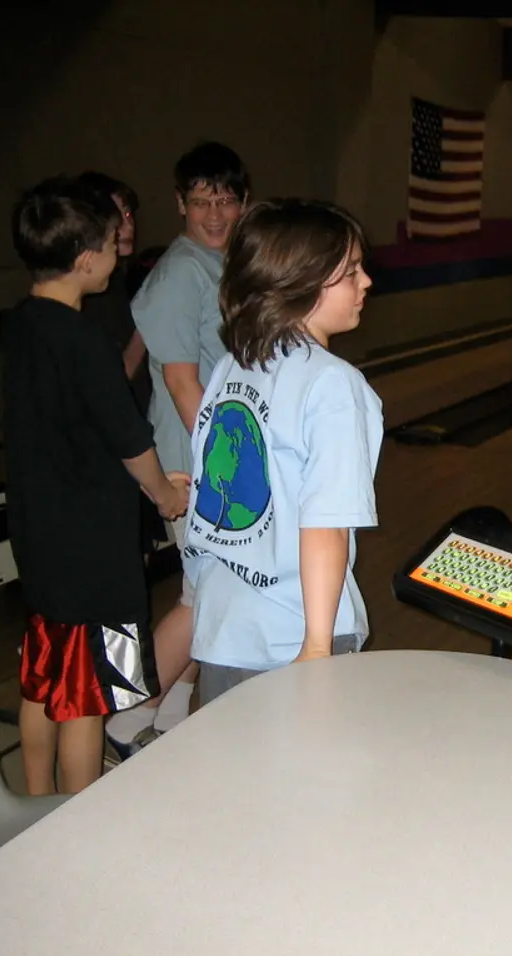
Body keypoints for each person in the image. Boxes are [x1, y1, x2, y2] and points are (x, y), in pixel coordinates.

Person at [1, 176, 189, 795]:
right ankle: (80, 813)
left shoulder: (21, 324)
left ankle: (34, 800)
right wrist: (165, 494)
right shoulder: (83, 339)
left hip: (40, 532)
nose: (118, 251)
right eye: (112, 242)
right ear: (86, 259)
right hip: (91, 542)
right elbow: (129, 438)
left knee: (46, 670)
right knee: (88, 691)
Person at [182, 198, 381, 704]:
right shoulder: (333, 384)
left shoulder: (234, 365)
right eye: (352, 271)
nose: (366, 283)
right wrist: (317, 649)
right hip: (292, 634)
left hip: (224, 629)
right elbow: (327, 523)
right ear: (303, 282)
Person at [104, 141, 250, 754]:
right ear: (180, 204)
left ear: (244, 202)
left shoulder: (229, 265)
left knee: (210, 592)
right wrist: (226, 474)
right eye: (199, 201)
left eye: (224, 200)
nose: (213, 214)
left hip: (219, 455)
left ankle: (166, 720)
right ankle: (121, 713)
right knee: (207, 594)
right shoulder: (179, 272)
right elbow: (180, 379)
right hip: (195, 462)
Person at [77, 171, 150, 408]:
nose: (126, 226)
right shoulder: (91, 295)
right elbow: (114, 380)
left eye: (128, 214)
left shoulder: (119, 279)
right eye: (116, 218)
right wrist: (149, 324)